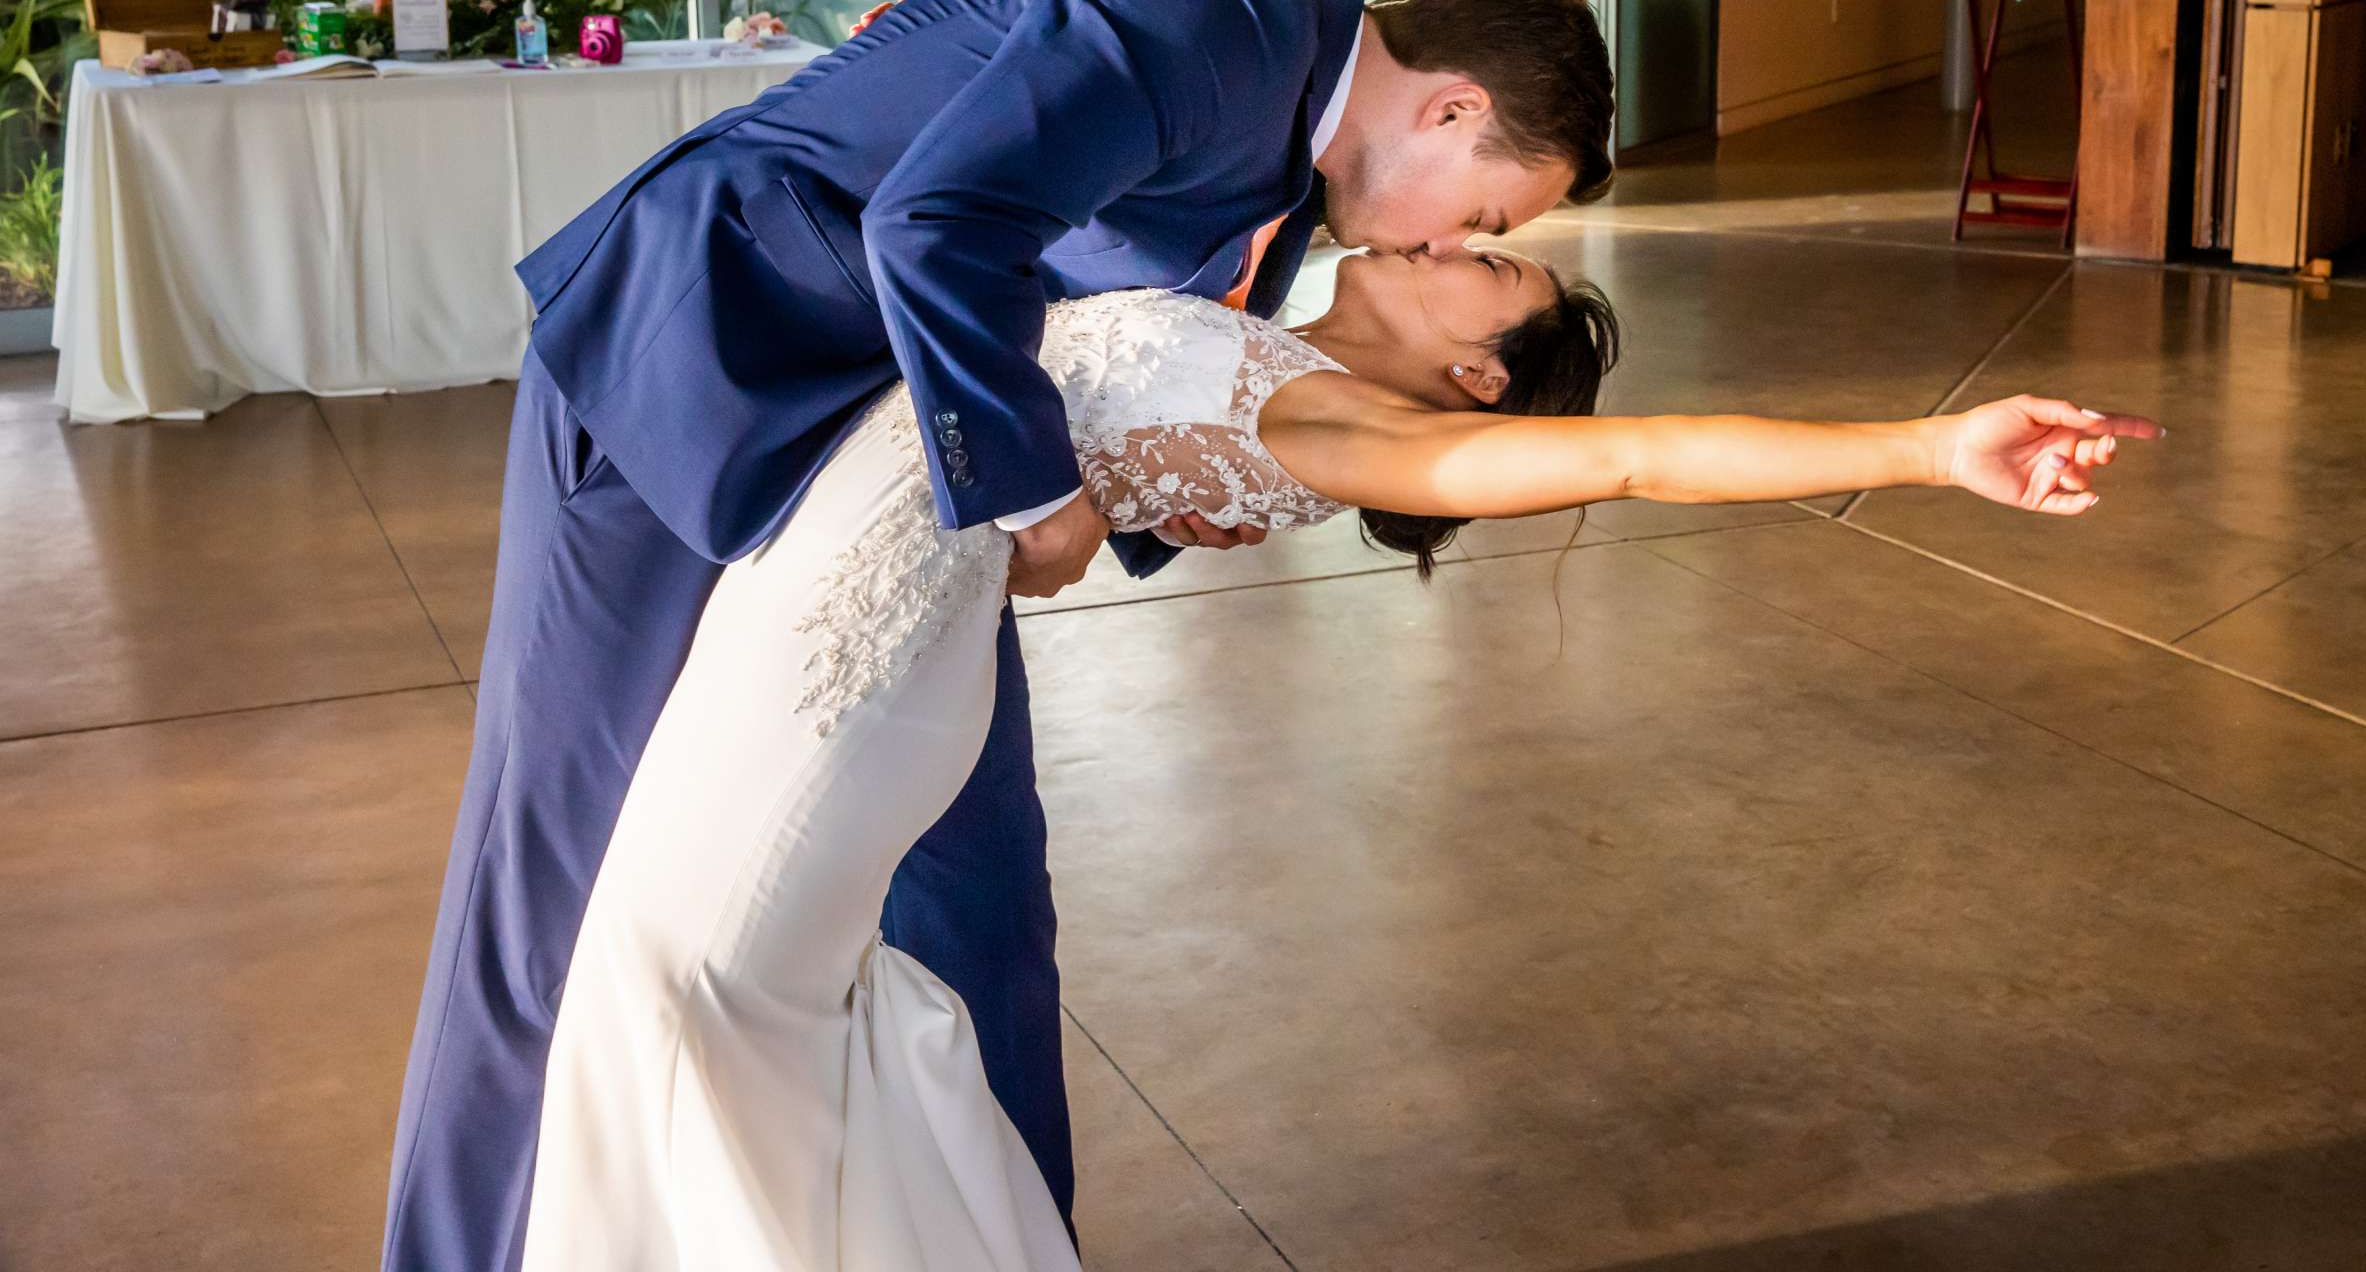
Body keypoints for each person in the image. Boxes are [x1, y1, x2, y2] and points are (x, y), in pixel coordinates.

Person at [516, 248, 2157, 1268]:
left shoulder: (1345, 426)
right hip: (834, 612)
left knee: (684, 994)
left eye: (1486, 266)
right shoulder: (1274, 351)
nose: (1453, 237)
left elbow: (1649, 457)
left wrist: (1932, 448)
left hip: (841, 672)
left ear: (1474, 379)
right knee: (713, 1003)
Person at [381, 0, 1616, 1272]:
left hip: (890, 490)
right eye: (1489, 217)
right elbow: (940, 220)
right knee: (552, 888)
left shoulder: (1286, 156)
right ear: (1454, 111)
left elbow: (1093, 321)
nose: (1448, 240)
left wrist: (1153, 493)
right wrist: (1035, 494)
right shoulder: (1215, 24)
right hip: (686, 375)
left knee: (983, 908)